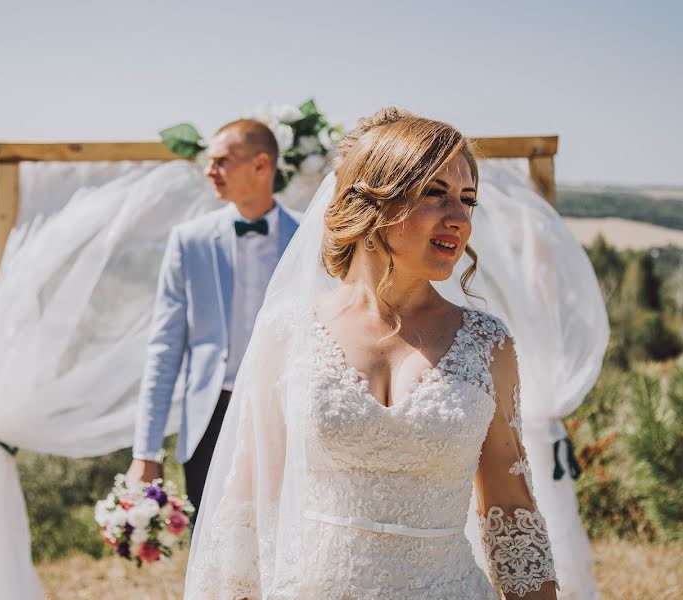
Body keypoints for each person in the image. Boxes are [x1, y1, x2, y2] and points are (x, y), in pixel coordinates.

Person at [185, 109, 559, 598]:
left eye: (467, 200)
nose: (459, 218)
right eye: (435, 193)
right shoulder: (287, 333)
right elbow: (249, 504)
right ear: (373, 200)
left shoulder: (489, 344)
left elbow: (511, 509)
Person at [127, 119, 301, 513]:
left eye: (222, 161)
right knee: (208, 558)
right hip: (209, 421)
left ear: (261, 165)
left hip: (287, 417)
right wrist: (146, 450)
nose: (210, 171)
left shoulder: (309, 237)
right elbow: (165, 348)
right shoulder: (189, 241)